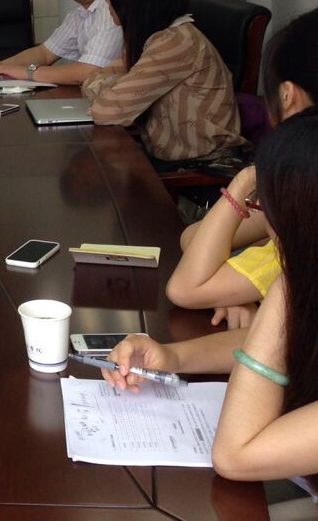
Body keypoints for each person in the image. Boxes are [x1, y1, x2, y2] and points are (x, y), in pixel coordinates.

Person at [102, 108, 318, 485]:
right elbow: (287, 343)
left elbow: (235, 455)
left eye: (266, 208)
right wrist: (173, 357)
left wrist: (285, 288)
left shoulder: (292, 282)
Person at [165, 9, 318, 328]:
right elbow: (193, 238)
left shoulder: (301, 190)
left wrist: (246, 180)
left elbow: (185, 288)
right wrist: (236, 289)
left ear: (286, 96)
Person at [81, 0, 244, 163]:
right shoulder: (151, 37)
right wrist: (113, 89)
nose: (106, 2)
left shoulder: (175, 42)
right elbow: (93, 80)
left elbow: (106, 110)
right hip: (167, 158)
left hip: (200, 167)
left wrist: (112, 89)